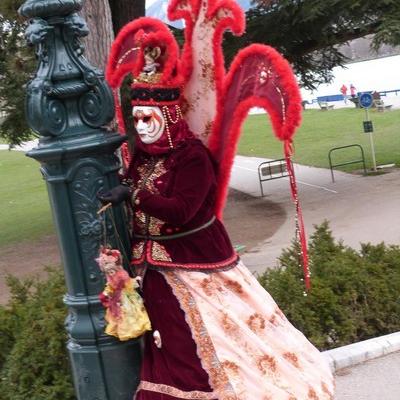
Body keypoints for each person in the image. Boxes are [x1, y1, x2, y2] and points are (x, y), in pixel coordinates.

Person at [99, 15, 334, 400]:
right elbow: (135, 189)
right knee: (166, 346)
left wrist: (136, 196)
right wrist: (120, 191)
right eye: (137, 119)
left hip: (196, 266)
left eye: (148, 119)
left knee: (213, 345)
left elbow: (182, 211)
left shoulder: (191, 157)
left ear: (170, 115)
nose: (140, 127)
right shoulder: (143, 156)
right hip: (153, 268)